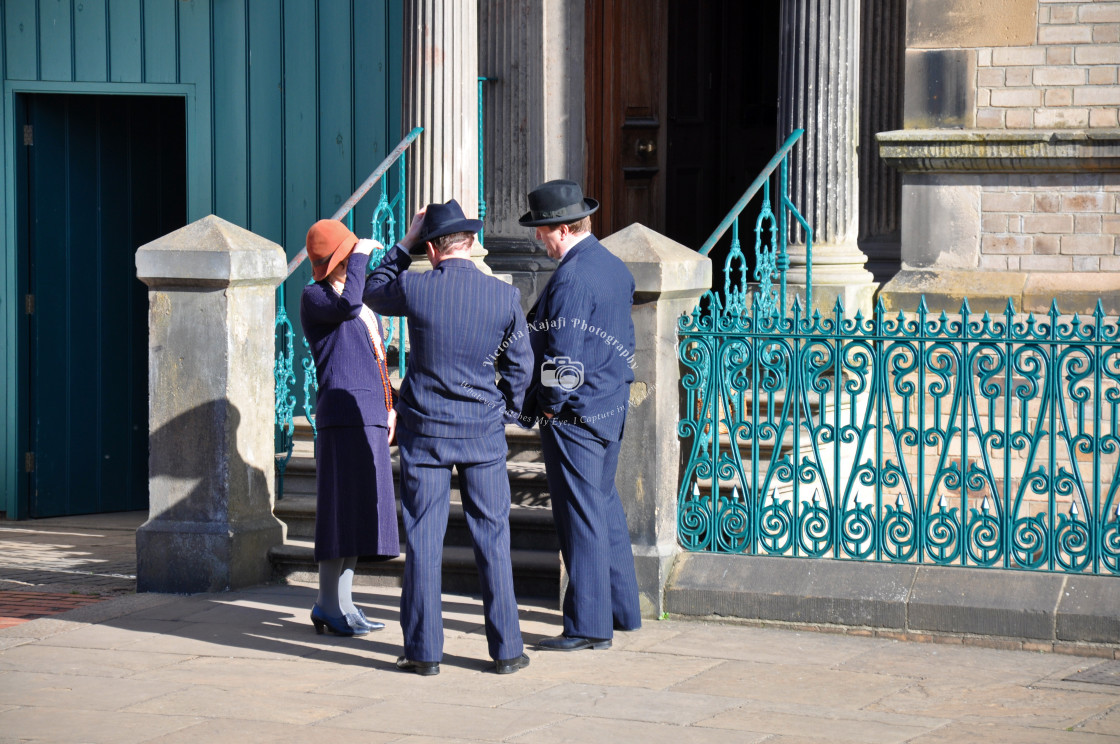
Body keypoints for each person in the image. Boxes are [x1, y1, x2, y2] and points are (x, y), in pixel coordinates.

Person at [365, 198, 533, 676]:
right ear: (471, 242)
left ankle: (423, 653)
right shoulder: (503, 295)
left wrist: (403, 242)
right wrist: (510, 409)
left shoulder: (416, 288)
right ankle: (506, 652)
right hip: (482, 433)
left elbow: (370, 289)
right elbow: (519, 367)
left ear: (433, 249)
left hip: (427, 433)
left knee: (423, 540)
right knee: (493, 539)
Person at [519, 179, 642, 651]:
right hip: (607, 406)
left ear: (564, 229)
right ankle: (621, 611)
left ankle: (589, 626)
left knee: (582, 516)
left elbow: (564, 359)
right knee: (603, 508)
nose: (538, 239)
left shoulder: (572, 277)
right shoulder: (611, 266)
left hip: (577, 414)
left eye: (542, 230)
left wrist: (547, 410)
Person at [300, 219, 400, 636]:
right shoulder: (315, 296)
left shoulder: (357, 297)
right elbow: (347, 305)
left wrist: (389, 404)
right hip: (340, 418)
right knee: (339, 512)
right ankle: (328, 604)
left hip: (370, 416)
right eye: (349, 255)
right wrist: (359, 257)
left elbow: (376, 359)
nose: (356, 260)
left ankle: (344, 604)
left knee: (359, 513)